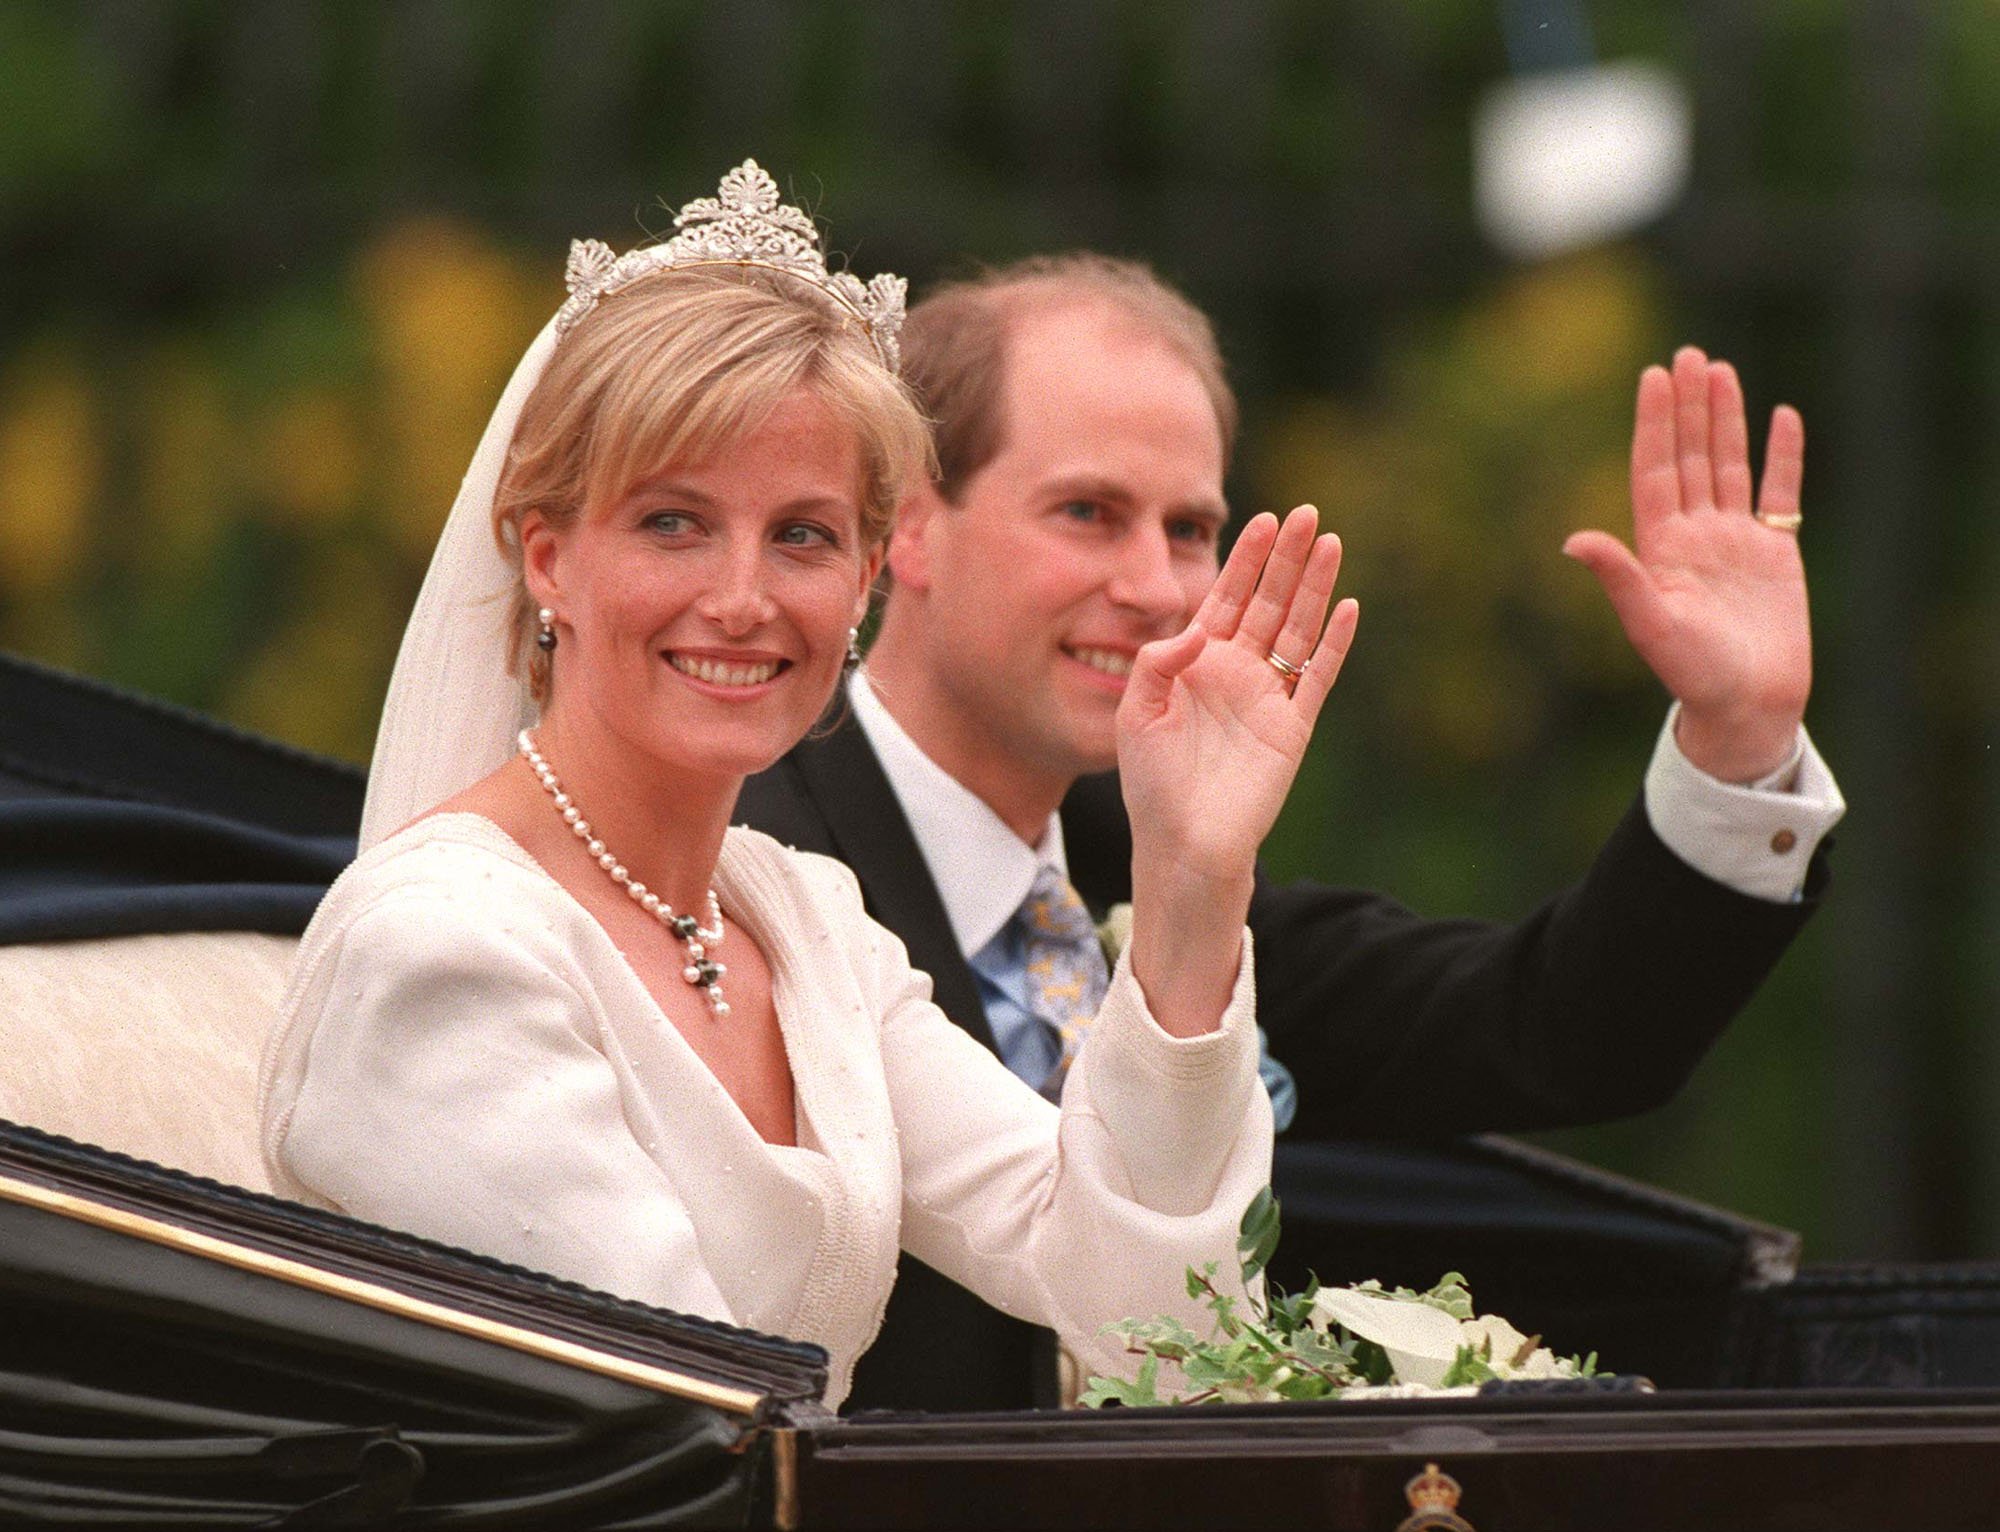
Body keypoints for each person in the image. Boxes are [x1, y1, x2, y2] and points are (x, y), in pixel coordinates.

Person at [257, 164, 1362, 1409]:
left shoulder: (806, 926)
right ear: (549, 558)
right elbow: (677, 1435)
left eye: (802, 534)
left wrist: (1189, 871)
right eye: (674, 522)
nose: (743, 597)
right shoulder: (443, 950)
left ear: (863, 584)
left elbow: (1142, 1306)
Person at [733, 254, 1846, 1410]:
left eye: (1190, 527)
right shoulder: (749, 863)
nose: (1156, 584)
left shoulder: (1159, 857)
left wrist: (1735, 735)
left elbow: (1556, 1027)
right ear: (909, 525)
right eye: (1088, 513)